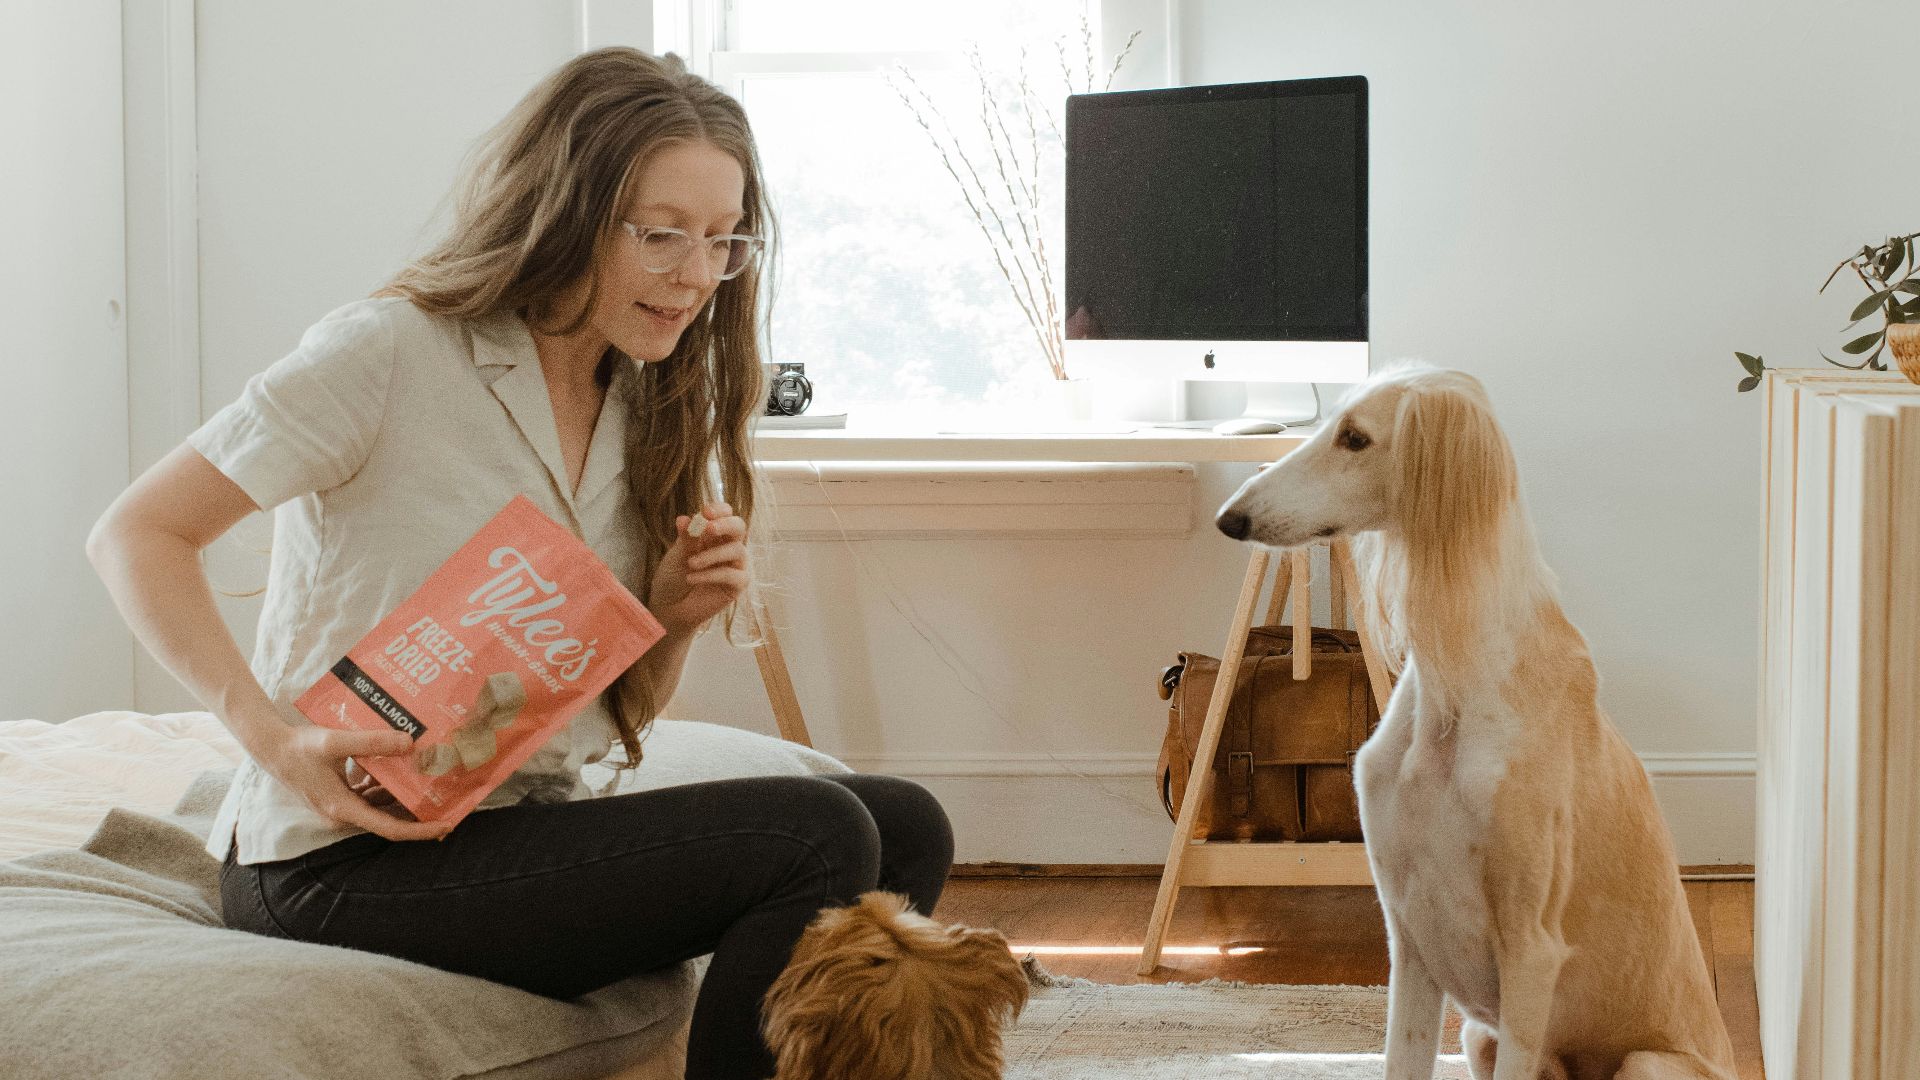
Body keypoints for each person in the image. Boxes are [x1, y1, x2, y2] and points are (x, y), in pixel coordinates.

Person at [86, 48, 953, 1080]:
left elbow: (602, 716)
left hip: (512, 828)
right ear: (567, 210)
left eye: (724, 241)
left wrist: (668, 614)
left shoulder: (644, 405)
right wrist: (270, 737)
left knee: (903, 828)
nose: (695, 275)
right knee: (811, 831)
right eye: (662, 235)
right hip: (337, 856)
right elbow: (136, 533)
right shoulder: (389, 352)